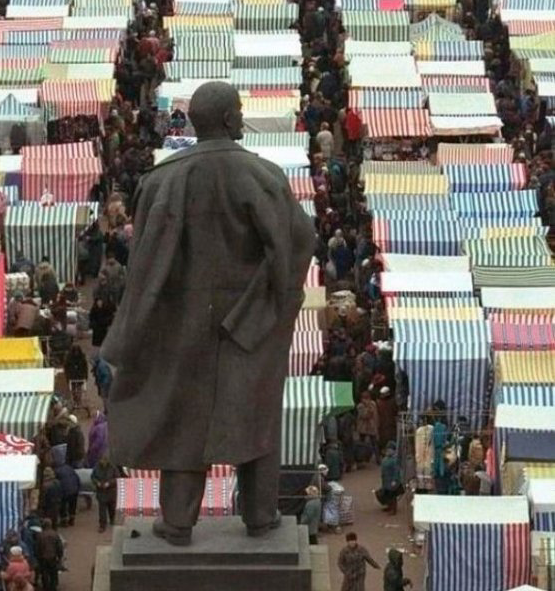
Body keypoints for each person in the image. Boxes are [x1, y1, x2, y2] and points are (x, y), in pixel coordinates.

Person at [102, 81, 315, 546]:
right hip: (250, 329)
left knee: (185, 422)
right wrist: (266, 311)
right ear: (228, 118)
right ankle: (261, 516)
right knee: (257, 419)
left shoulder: (161, 181)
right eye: (238, 110)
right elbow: (300, 242)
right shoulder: (263, 176)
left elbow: (143, 269)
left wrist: (139, 328)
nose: (241, 117)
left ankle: (178, 522)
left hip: (182, 329)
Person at [91, 454, 118, 532]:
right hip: (101, 491)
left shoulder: (113, 467)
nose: (103, 462)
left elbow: (117, 478)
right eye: (102, 460)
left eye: (104, 460)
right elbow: (93, 477)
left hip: (111, 491)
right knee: (102, 509)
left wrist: (109, 483)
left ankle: (112, 519)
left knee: (112, 508)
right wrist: (97, 483)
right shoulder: (96, 467)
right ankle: (102, 525)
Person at [375, 442, 404, 515]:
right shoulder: (385, 459)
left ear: (394, 451)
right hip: (386, 480)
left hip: (392, 481)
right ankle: (389, 506)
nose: (388, 451)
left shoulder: (395, 460)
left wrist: (395, 480)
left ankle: (393, 509)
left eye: (390, 449)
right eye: (388, 449)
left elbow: (396, 471)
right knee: (387, 494)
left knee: (392, 495)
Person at [36, 519, 64, 591]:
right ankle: (53, 587)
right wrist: (60, 556)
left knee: (44, 572)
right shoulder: (55, 534)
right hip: (53, 556)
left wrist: (38, 557)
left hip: (43, 557)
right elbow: (59, 547)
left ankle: (46, 587)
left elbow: (37, 547)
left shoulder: (40, 535)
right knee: (53, 573)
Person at [356, 390, 380, 464]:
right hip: (363, 427)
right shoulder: (360, 406)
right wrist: (368, 408)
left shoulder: (373, 404)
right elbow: (364, 415)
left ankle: (378, 459)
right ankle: (362, 459)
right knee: (362, 443)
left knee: (374, 443)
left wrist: (377, 424)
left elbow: (375, 415)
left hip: (372, 426)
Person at [55, 461, 80, 526]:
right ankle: (72, 519)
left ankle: (64, 520)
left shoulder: (57, 471)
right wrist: (78, 488)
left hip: (65, 490)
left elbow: (57, 482)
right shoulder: (70, 468)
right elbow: (77, 477)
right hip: (74, 489)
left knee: (63, 505)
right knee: (72, 505)